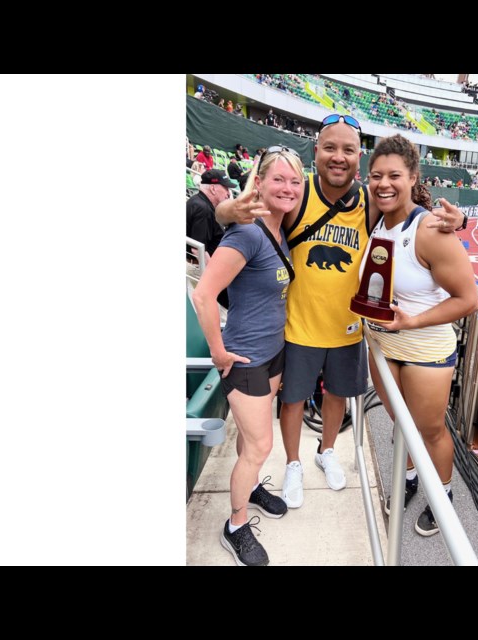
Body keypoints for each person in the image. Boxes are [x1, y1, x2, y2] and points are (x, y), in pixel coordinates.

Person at [216, 115, 464, 510]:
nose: (338, 156)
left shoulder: (369, 201)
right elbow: (241, 211)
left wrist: (459, 220)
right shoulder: (298, 193)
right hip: (298, 326)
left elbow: (411, 211)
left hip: (349, 329)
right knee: (294, 401)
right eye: (330, 147)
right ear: (316, 151)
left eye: (348, 149)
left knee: (336, 398)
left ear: (358, 158)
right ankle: (293, 462)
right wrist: (226, 210)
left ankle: (326, 450)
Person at [191, 146, 305, 566]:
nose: (288, 188)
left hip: (272, 353)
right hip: (245, 359)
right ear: (258, 182)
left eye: (295, 181)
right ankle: (235, 525)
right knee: (260, 444)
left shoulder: (278, 230)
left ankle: (252, 486)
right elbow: (202, 295)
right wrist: (219, 353)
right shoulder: (248, 232)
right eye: (278, 178)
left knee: (250, 440)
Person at [362, 134, 478, 536]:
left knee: (430, 430)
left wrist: (410, 322)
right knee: (399, 420)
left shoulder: (428, 229)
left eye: (394, 175)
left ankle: (443, 494)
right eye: (376, 175)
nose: (383, 183)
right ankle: (409, 479)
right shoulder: (375, 217)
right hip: (383, 344)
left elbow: (468, 300)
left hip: (423, 348)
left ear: (413, 177)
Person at [187, 169, 236, 308]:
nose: (228, 193)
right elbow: (198, 249)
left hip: (198, 266)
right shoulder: (202, 208)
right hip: (198, 268)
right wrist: (214, 276)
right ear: (213, 188)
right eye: (225, 187)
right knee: (220, 314)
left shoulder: (200, 203)